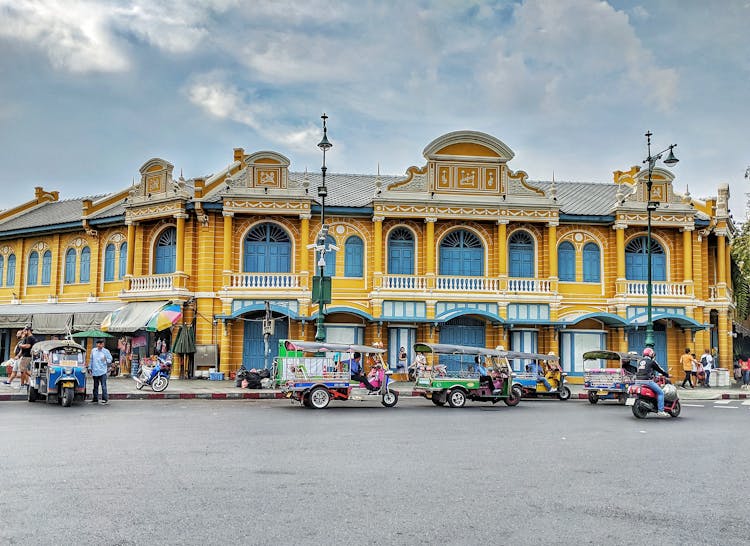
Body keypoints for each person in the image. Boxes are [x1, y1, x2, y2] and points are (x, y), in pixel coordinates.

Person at [635, 347, 670, 416]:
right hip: (646, 381)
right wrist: (667, 375)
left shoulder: (640, 362)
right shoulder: (651, 362)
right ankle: (661, 411)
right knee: (660, 393)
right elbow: (660, 370)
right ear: (651, 354)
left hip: (637, 381)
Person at [89, 338, 113, 404]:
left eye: (101, 344)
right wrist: (89, 368)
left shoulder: (106, 351)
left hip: (103, 371)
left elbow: (110, 359)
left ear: (103, 344)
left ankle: (105, 399)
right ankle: (95, 399)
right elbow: (91, 360)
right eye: (98, 344)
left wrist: (106, 360)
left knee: (103, 386)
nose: (99, 345)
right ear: (96, 344)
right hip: (95, 371)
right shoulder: (93, 351)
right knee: (95, 386)